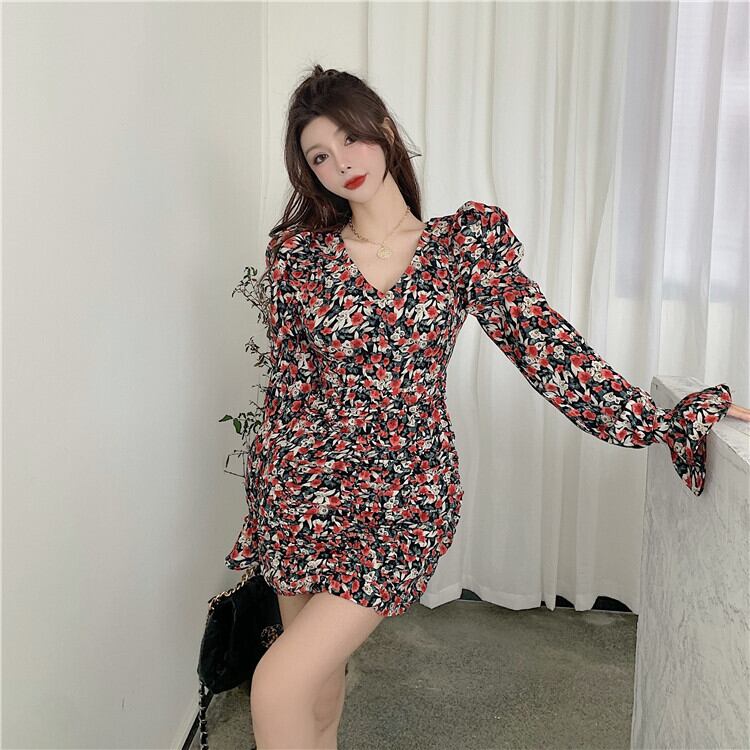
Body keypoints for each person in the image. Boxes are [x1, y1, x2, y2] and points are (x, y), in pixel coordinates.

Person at [224, 65, 750, 750]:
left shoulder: (459, 247)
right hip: (300, 492)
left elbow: (547, 348)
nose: (341, 163)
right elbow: (290, 388)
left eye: (349, 138)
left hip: (402, 495)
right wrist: (267, 501)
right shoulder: (299, 257)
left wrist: (659, 422)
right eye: (319, 156)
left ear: (383, 130)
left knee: (277, 685)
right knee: (315, 693)